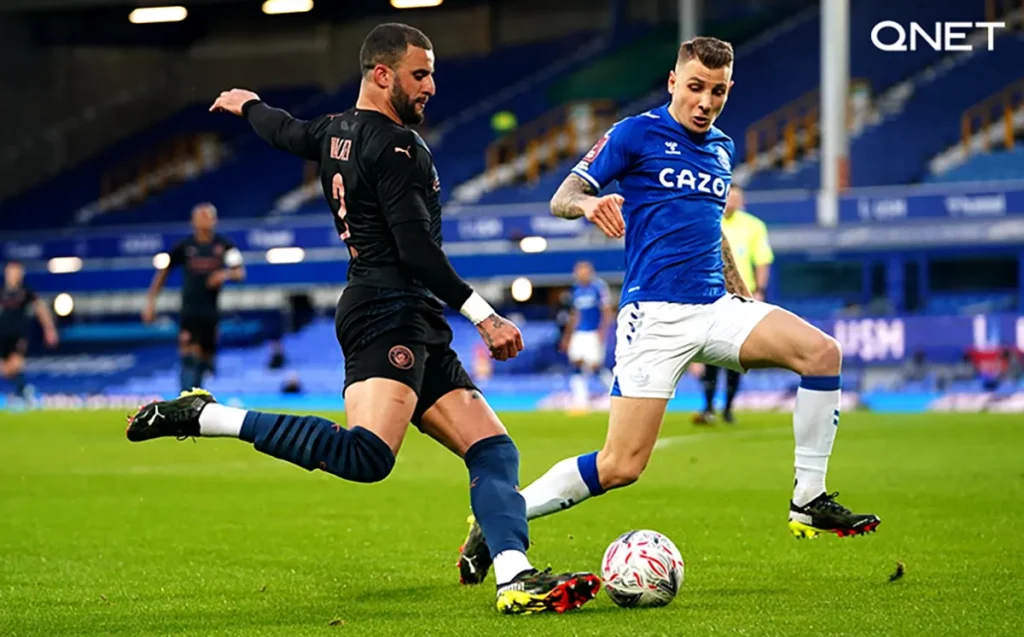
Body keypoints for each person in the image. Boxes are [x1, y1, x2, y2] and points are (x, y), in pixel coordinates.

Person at [124, 23, 598, 616]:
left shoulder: (334, 133)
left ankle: (514, 575)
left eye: (432, 75)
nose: (430, 87)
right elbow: (416, 252)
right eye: (419, 75)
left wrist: (249, 105)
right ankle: (206, 415)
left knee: (495, 451)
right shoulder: (396, 148)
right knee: (367, 456)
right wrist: (485, 315)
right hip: (385, 311)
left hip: (413, 316)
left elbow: (284, 130)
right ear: (381, 74)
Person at [457, 36, 880, 586]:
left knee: (822, 353)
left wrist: (742, 289)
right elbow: (562, 195)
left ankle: (809, 498)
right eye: (697, 87)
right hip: (654, 317)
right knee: (621, 466)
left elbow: (712, 229)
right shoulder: (636, 132)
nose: (706, 102)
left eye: (719, 91)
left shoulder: (723, 148)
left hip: (716, 306)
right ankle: (496, 521)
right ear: (674, 82)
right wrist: (590, 203)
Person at [142, 203, 246, 393]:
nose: (205, 220)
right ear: (193, 221)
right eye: (201, 216)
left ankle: (197, 398)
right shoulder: (185, 247)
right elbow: (163, 273)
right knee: (189, 355)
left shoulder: (224, 246)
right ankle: (186, 400)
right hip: (189, 311)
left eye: (208, 216)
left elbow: (240, 273)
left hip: (211, 313)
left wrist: (223, 275)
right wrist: (150, 303)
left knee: (205, 359)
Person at [694, 184, 774, 424]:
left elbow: (762, 260)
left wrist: (759, 291)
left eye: (737, 197)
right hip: (710, 295)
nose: (733, 201)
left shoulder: (753, 226)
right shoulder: (707, 220)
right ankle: (708, 407)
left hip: (741, 297)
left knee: (736, 355)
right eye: (730, 196)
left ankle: (728, 409)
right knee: (709, 354)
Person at [559, 261, 614, 410]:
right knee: (576, 362)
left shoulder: (598, 287)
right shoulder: (575, 289)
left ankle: (614, 395)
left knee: (595, 365)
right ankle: (580, 400)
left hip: (593, 331)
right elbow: (574, 314)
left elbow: (606, 311)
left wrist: (603, 332)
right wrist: (567, 336)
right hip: (579, 332)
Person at [1, 261, 59, 403]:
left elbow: (41, 310)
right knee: (7, 370)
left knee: (16, 364)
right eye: (12, 272)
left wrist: (49, 329)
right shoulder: (1, 292)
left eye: (17, 272)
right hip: (2, 335)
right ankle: (23, 391)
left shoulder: (26, 292)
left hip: (19, 336)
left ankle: (23, 395)